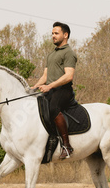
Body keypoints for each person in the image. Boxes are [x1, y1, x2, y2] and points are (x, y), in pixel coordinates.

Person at [32, 22, 77, 159]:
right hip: (50, 90)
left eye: (56, 33)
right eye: (52, 33)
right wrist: (32, 88)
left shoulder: (69, 53)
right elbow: (45, 77)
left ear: (65, 35)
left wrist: (50, 86)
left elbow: (69, 76)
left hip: (64, 90)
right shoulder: (51, 55)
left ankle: (67, 146)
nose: (53, 36)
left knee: (53, 108)